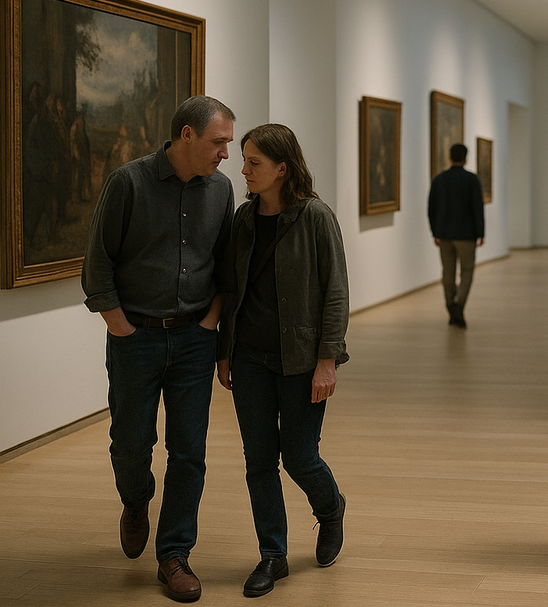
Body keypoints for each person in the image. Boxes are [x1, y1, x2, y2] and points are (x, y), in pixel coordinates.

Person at [82, 95, 236, 603]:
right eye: (219, 142)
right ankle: (136, 500)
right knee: (131, 444)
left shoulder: (222, 190)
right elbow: (98, 262)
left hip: (195, 338)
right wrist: (121, 327)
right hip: (136, 338)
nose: (226, 154)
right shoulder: (128, 182)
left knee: (189, 451)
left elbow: (226, 264)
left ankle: (174, 555)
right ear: (186, 135)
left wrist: (211, 321)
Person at [216, 123, 350, 597]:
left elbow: (336, 292)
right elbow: (231, 289)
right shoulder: (244, 219)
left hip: (301, 359)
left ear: (282, 168)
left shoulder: (315, 216)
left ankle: (330, 508)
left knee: (299, 456)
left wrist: (328, 360)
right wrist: (225, 352)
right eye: (244, 160)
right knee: (259, 460)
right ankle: (273, 554)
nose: (244, 170)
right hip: (250, 358)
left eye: (254, 162)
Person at [427, 142, 485, 328]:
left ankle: (451, 307)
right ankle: (458, 306)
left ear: (450, 157)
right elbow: (477, 208)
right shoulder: (471, 180)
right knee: (467, 271)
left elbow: (431, 208)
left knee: (448, 272)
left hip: (444, 234)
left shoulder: (439, 180)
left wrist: (435, 231)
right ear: (466, 158)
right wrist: (480, 232)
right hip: (466, 235)